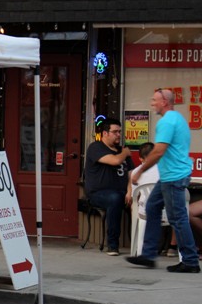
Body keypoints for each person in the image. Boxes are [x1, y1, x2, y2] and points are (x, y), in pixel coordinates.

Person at [127, 89, 200, 273]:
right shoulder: (178, 118)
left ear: (165, 102)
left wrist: (139, 171)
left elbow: (159, 150)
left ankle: (190, 261)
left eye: (155, 100)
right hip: (170, 175)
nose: (152, 103)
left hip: (173, 177)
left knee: (178, 218)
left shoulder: (167, 122)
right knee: (152, 207)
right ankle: (148, 255)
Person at [83, 118, 133, 256]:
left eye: (119, 132)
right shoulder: (95, 147)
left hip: (122, 192)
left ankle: (142, 246)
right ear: (105, 133)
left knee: (142, 201)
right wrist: (126, 153)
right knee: (115, 198)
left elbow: (131, 174)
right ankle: (113, 245)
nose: (118, 134)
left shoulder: (122, 151)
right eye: (115, 132)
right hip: (98, 193)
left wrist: (130, 192)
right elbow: (115, 160)